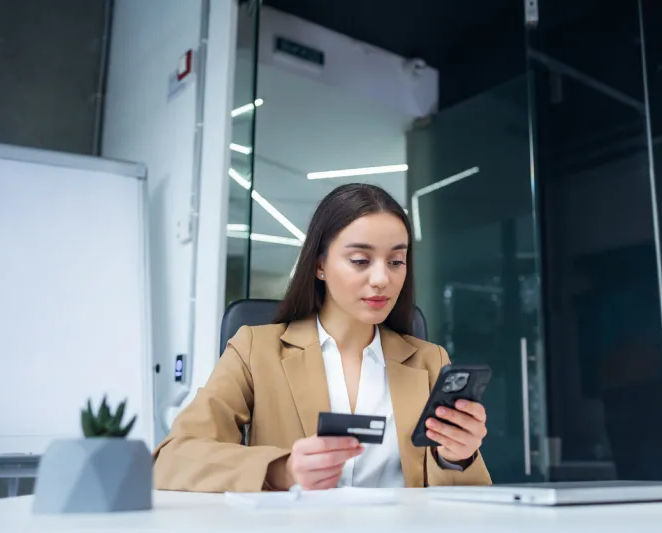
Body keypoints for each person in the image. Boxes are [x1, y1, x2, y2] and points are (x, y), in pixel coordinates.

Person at [153, 183, 492, 492]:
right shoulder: (255, 350)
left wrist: (457, 457)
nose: (381, 279)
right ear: (319, 265)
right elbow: (172, 459)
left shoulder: (429, 361)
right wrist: (281, 470)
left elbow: (465, 500)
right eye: (360, 260)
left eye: (396, 261)